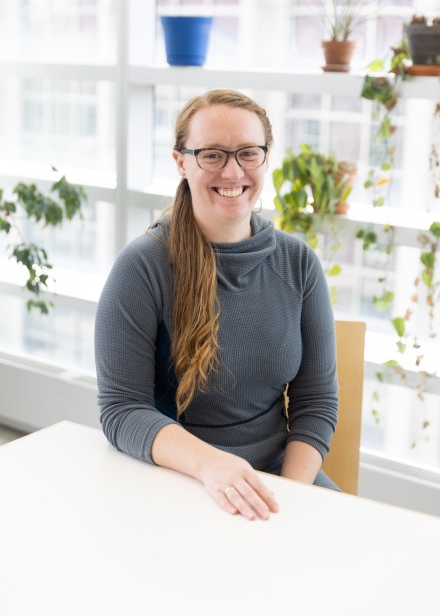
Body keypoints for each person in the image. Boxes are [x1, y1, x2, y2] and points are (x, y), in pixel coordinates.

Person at [94, 89, 339, 522]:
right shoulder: (142, 268)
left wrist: (288, 499)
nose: (232, 171)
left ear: (265, 158)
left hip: (280, 483)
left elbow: (315, 403)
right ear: (181, 162)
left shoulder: (298, 263)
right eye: (211, 155)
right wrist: (212, 465)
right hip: (178, 480)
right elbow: (122, 410)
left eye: (248, 153)